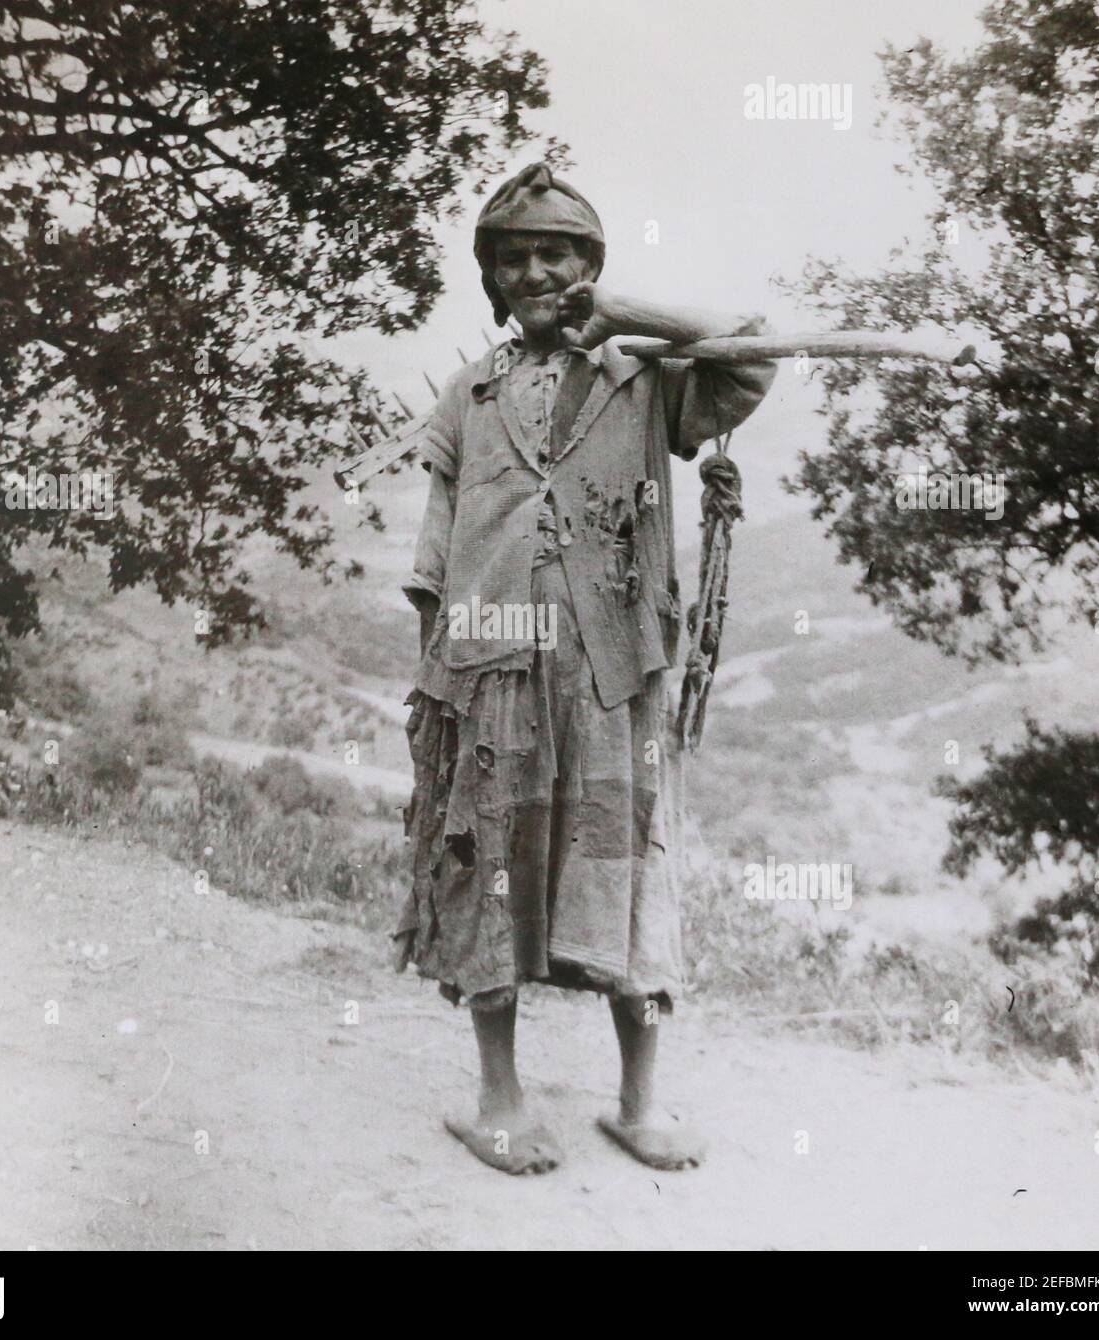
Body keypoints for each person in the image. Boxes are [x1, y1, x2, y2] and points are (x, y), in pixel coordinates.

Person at [394, 162, 776, 1174]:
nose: (534, 272)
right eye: (512, 257)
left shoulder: (644, 378)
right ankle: (498, 1098)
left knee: (629, 862)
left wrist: (619, 313)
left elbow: (749, 353)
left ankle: (637, 1102)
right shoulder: (469, 392)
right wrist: (436, 662)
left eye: (555, 253)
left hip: (614, 672)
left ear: (590, 263)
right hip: (491, 675)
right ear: (492, 276)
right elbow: (438, 538)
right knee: (488, 874)